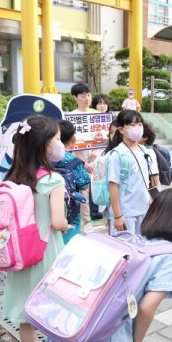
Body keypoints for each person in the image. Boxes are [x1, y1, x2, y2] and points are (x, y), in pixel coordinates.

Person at [29, 188, 172, 342]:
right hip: (110, 336)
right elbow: (147, 307)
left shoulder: (134, 241)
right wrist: (135, 341)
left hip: (81, 321)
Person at [1, 115, 69, 342]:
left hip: (18, 256)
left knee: (24, 314)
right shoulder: (52, 180)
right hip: (46, 253)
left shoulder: (12, 177)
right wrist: (65, 225)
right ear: (44, 146)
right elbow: (57, 221)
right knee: (53, 312)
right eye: (56, 140)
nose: (60, 144)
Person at [108, 110, 159, 236]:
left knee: (142, 248)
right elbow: (113, 185)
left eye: (140, 124)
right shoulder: (117, 154)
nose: (137, 128)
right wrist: (117, 215)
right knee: (126, 250)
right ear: (121, 129)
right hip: (126, 213)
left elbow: (150, 180)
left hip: (144, 210)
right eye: (132, 125)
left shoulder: (144, 151)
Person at [53, 120, 91, 245]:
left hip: (50, 214)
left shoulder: (45, 159)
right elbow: (84, 184)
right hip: (71, 214)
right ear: (73, 139)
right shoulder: (75, 161)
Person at [69, 83, 99, 233]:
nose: (87, 98)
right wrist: (84, 162)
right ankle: (87, 224)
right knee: (84, 191)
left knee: (102, 189)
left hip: (97, 159)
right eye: (82, 96)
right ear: (75, 98)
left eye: (88, 95)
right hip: (80, 162)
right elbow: (73, 143)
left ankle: (108, 218)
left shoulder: (96, 114)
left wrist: (96, 153)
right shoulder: (72, 116)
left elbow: (102, 138)